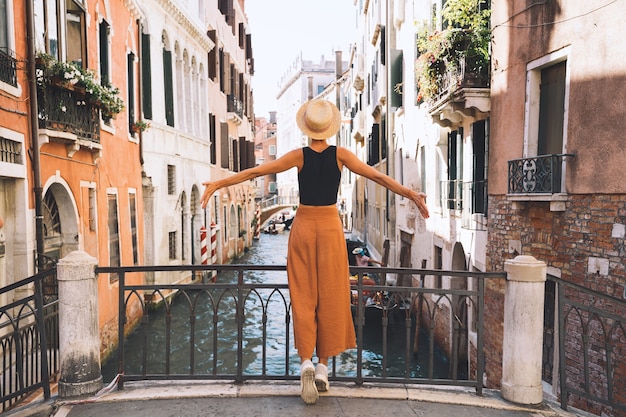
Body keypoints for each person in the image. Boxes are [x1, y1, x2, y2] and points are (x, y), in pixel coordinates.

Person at [200, 99, 429, 405]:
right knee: (332, 294)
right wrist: (411, 194)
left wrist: (218, 183)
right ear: (330, 129)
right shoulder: (341, 155)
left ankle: (306, 362)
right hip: (331, 228)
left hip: (304, 226)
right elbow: (378, 177)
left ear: (307, 129)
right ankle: (322, 368)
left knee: (303, 294)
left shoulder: (298, 156)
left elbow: (257, 172)